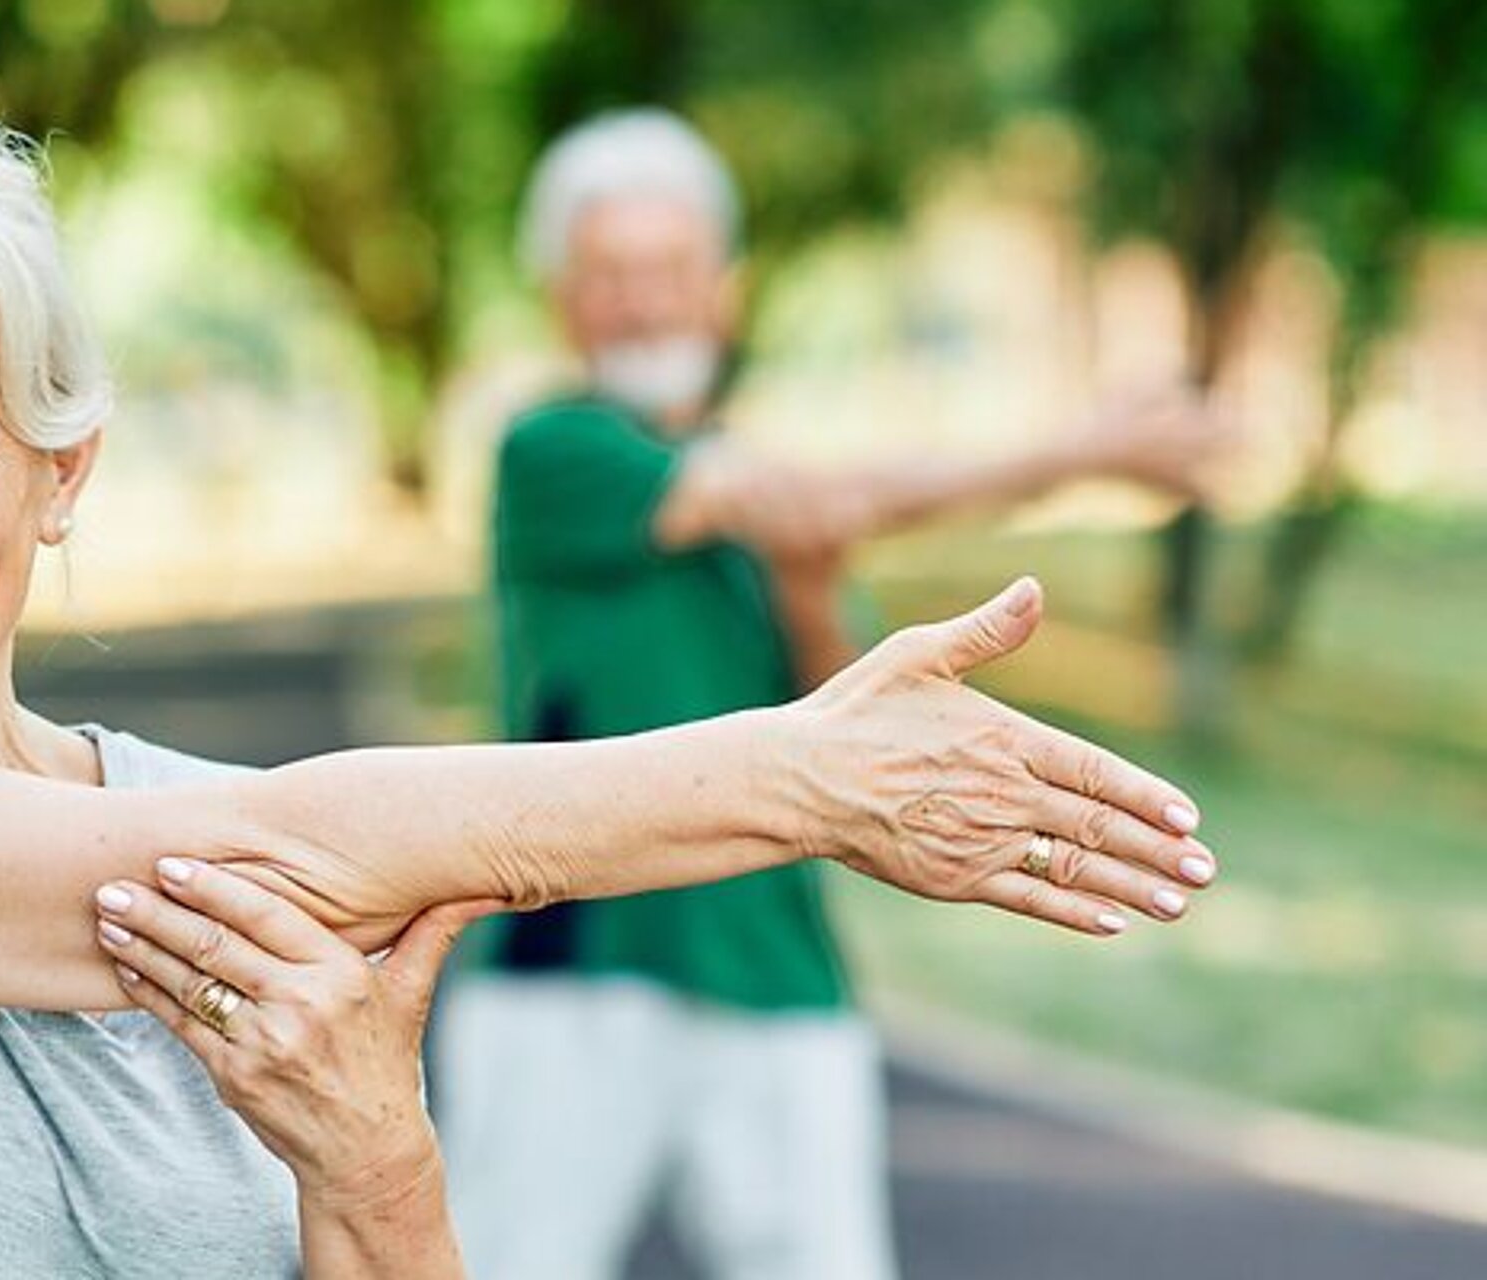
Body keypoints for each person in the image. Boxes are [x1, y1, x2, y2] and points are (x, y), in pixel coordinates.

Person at [0, 100, 1218, 1280]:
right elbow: (286, 840)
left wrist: (381, 1172)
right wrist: (805, 779)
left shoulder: (242, 858)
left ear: (62, 469)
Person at [437, 108, 1229, 1280]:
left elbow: (832, 694)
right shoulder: (553, 448)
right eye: (609, 274)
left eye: (670, 269)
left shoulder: (780, 489)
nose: (644, 301)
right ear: (561, 297)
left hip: (773, 964)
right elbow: (793, 498)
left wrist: (811, 574)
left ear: (726, 289)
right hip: (572, 962)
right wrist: (1074, 454)